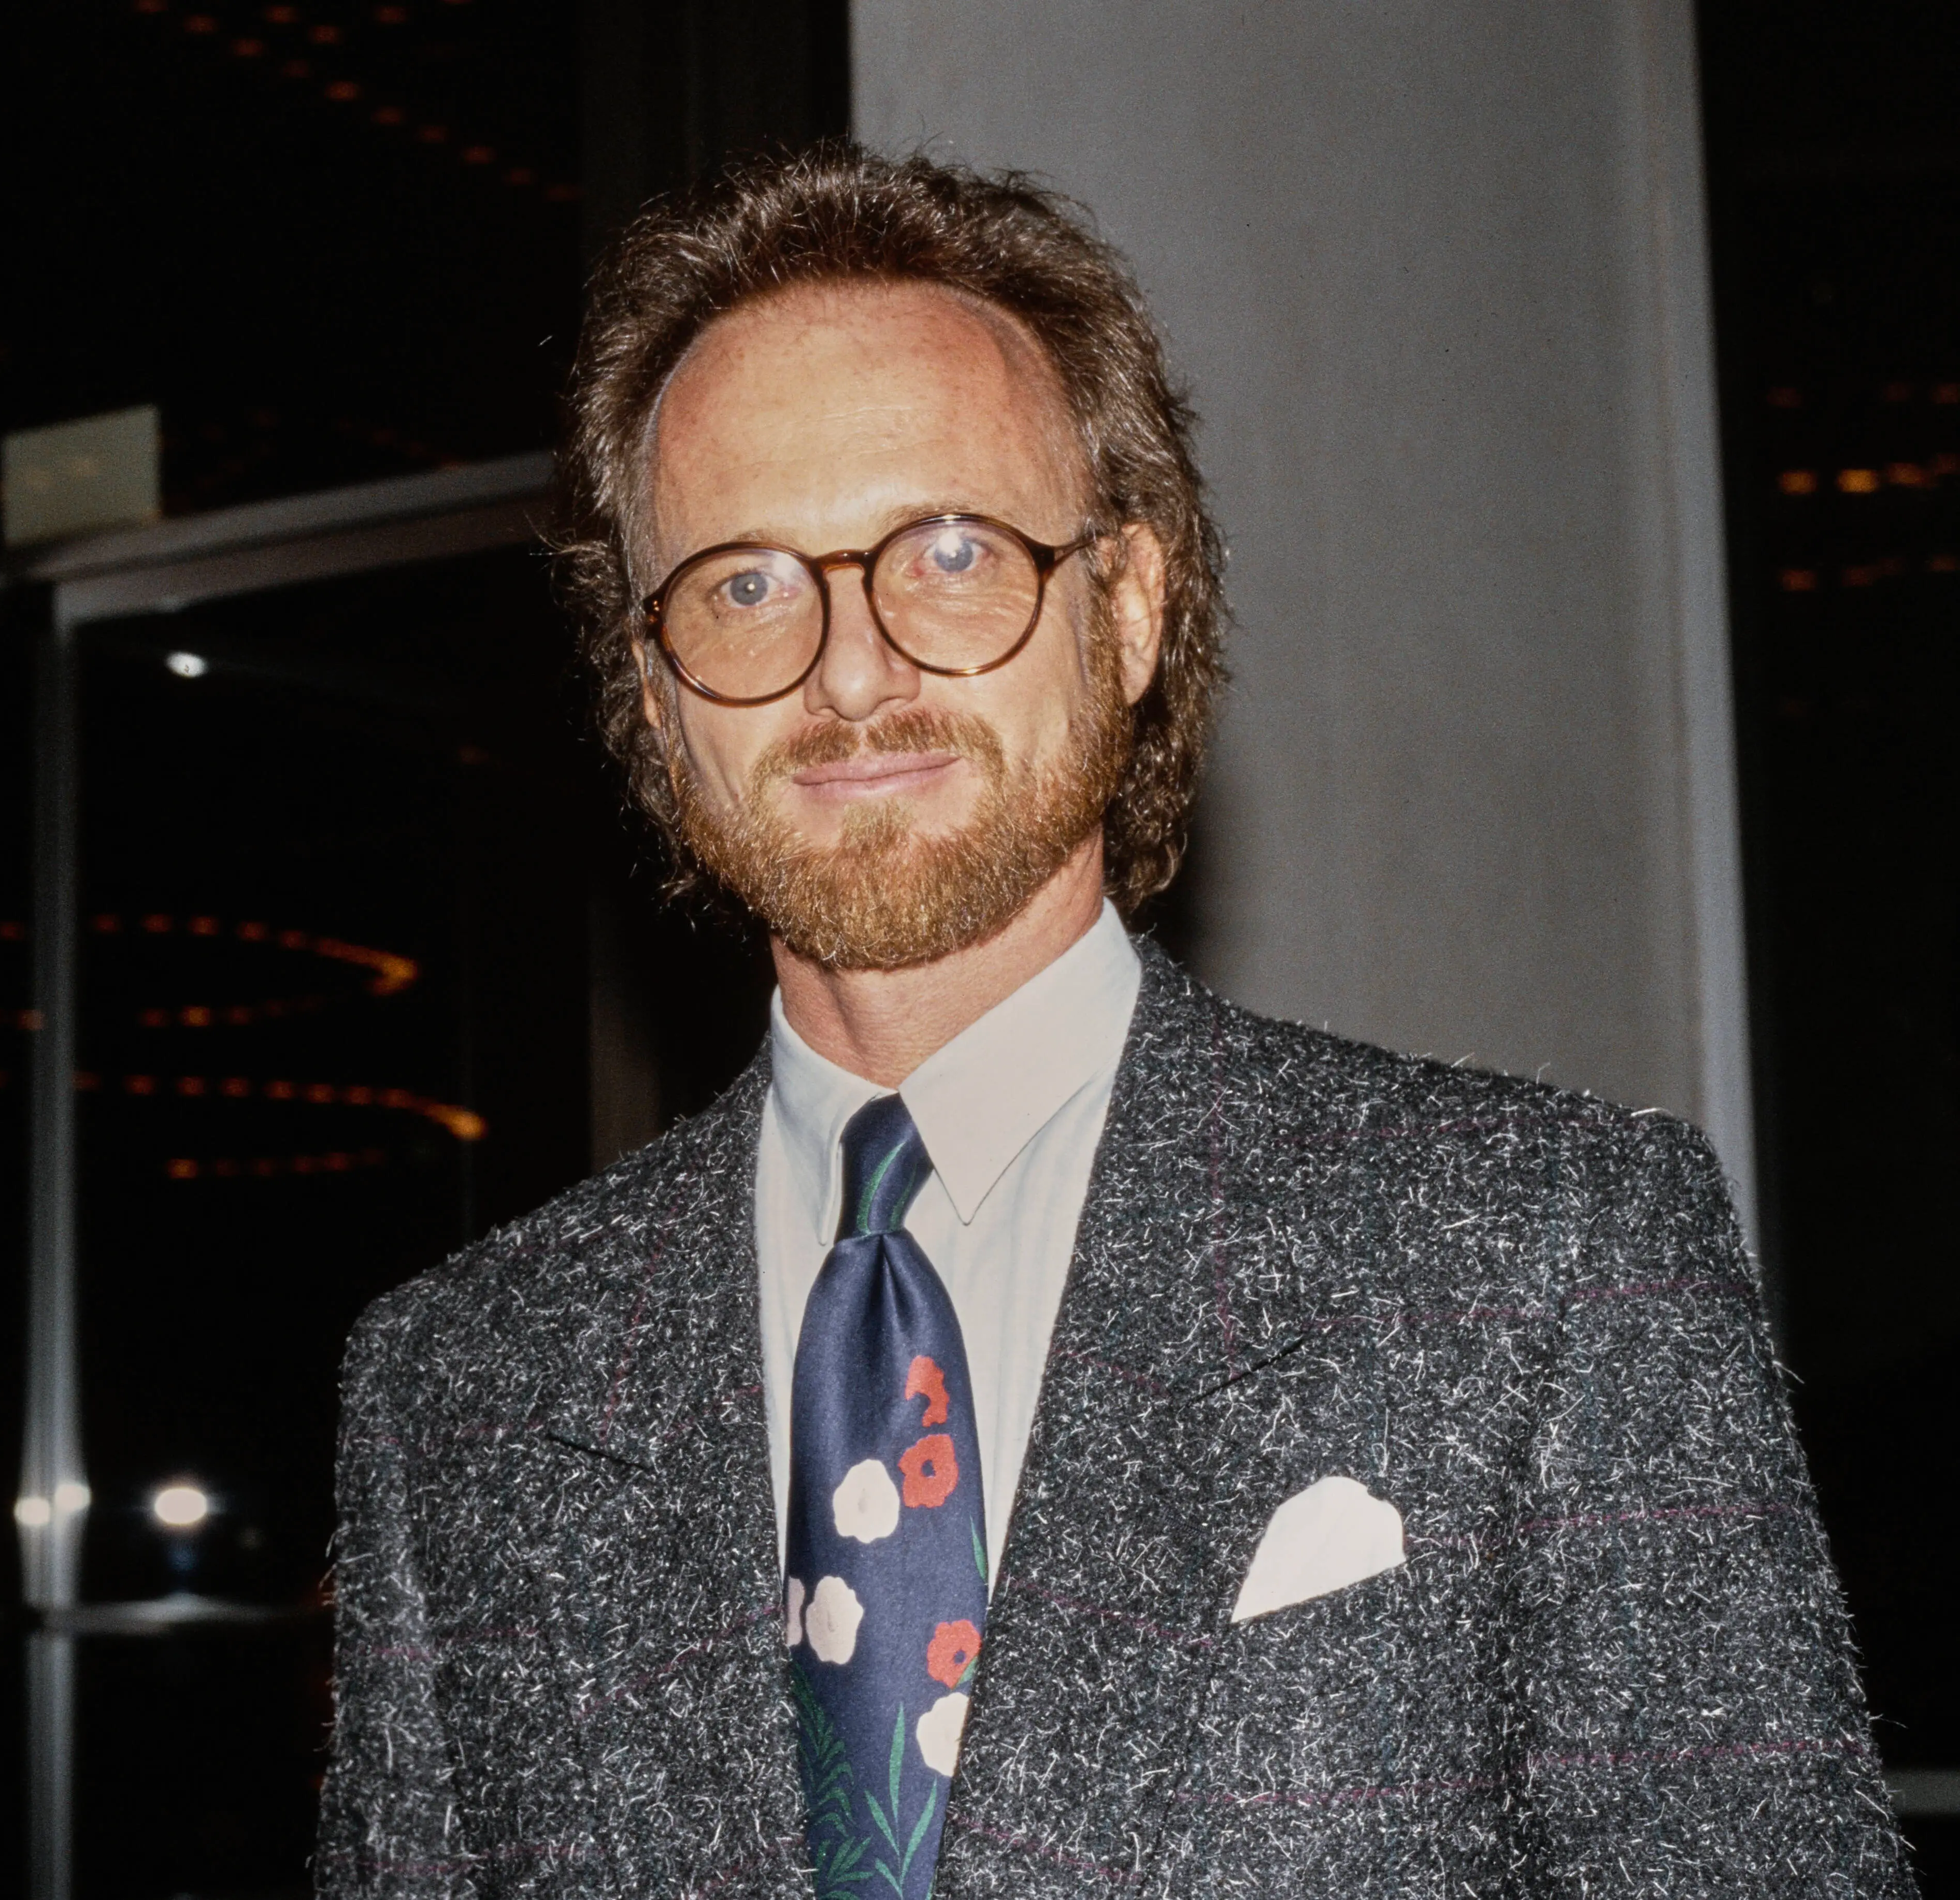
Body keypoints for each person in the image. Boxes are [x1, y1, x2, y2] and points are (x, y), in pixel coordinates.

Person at [315, 143, 1910, 1899]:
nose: (852, 670)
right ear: (655, 693)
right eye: (747, 584)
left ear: (1130, 611)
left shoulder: (1544, 1255)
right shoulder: (461, 1392)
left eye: (949, 551)